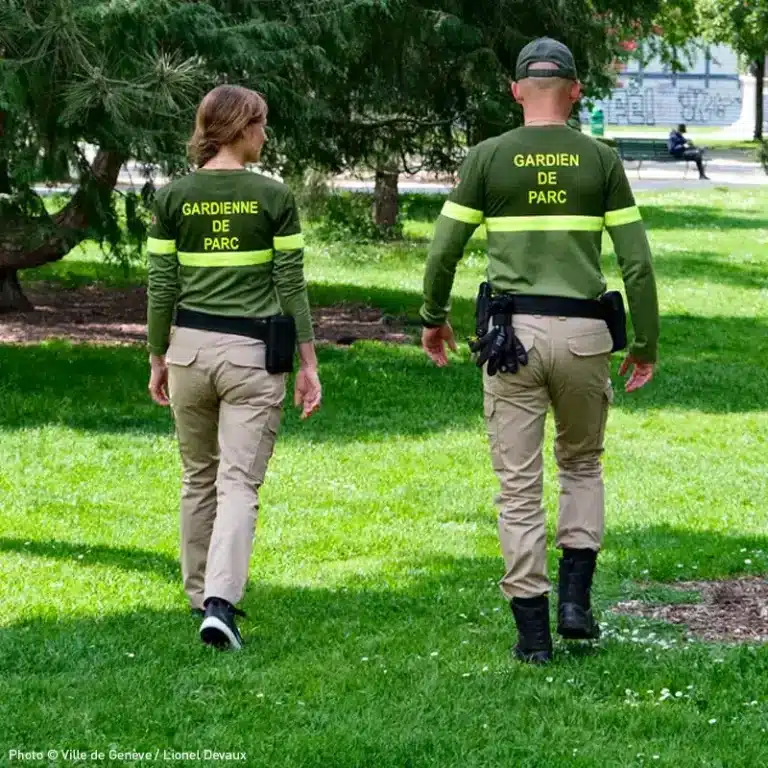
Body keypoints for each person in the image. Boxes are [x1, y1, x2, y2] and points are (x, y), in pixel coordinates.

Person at [419, 38, 659, 664]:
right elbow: (636, 262)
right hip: (585, 338)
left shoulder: (488, 158)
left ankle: (533, 638)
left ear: (516, 91)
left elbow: (443, 250)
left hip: (512, 340)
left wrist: (433, 318)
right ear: (576, 91)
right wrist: (644, 343)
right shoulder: (601, 160)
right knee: (581, 465)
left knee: (518, 487)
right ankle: (575, 604)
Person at [146, 85, 322, 651]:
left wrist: (157, 356)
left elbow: (161, 288)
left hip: (189, 352)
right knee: (239, 481)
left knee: (198, 477)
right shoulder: (273, 197)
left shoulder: (172, 197)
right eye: (261, 124)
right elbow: (291, 286)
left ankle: (200, 596)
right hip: (251, 357)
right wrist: (309, 361)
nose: (265, 135)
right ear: (241, 127)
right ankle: (220, 603)